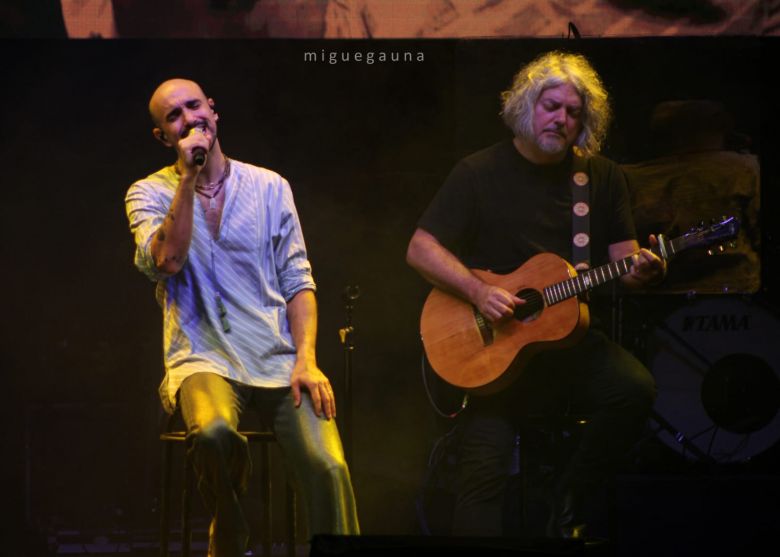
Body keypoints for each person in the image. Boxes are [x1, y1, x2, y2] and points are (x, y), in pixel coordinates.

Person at [406, 51, 663, 539]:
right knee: (484, 473)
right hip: (495, 356)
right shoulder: (477, 172)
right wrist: (479, 292)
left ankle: (570, 502)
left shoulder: (601, 177)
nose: (562, 119)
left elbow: (625, 261)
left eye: (573, 113)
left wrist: (645, 269)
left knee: (634, 389)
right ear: (526, 107)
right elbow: (420, 249)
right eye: (552, 106)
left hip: (569, 346)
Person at [125, 78, 359, 556]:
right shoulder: (147, 192)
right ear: (163, 136)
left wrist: (307, 359)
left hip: (276, 357)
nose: (189, 118)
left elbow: (299, 282)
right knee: (212, 432)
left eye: (194, 106)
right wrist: (188, 178)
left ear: (213, 110)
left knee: (330, 467)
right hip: (202, 356)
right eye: (174, 116)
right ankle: (231, 535)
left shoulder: (270, 187)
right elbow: (166, 261)